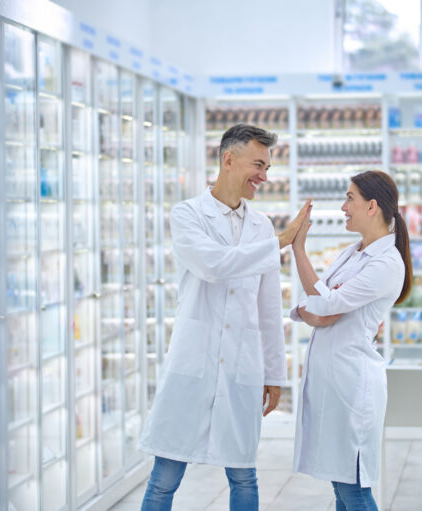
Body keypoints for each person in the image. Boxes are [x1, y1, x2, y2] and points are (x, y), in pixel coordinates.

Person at [138, 124, 312, 510]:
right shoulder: (188, 215)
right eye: (258, 165)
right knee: (165, 475)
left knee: (243, 473)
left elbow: (268, 308)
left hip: (240, 366)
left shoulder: (261, 226)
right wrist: (279, 243)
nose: (264, 177)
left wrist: (274, 375)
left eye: (267, 168)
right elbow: (214, 265)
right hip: (193, 362)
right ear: (228, 160)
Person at [290, 171, 413, 511]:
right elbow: (313, 302)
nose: (343, 207)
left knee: (353, 490)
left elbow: (324, 303)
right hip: (333, 382)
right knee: (341, 488)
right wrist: (315, 306)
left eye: (350, 199)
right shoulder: (352, 252)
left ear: (372, 206)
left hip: (351, 387)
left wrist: (299, 249)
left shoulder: (387, 264)